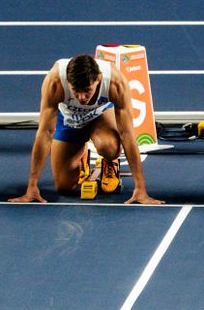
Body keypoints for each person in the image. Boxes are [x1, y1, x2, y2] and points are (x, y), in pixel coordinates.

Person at [11, 53, 161, 204]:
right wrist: (32, 185)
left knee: (109, 147)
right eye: (76, 90)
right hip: (69, 119)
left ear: (98, 78)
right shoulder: (55, 81)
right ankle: (81, 153)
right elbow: (45, 133)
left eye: (87, 90)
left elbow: (127, 135)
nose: (82, 97)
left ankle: (110, 161)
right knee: (64, 187)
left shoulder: (115, 82)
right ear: (67, 82)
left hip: (100, 115)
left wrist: (140, 188)